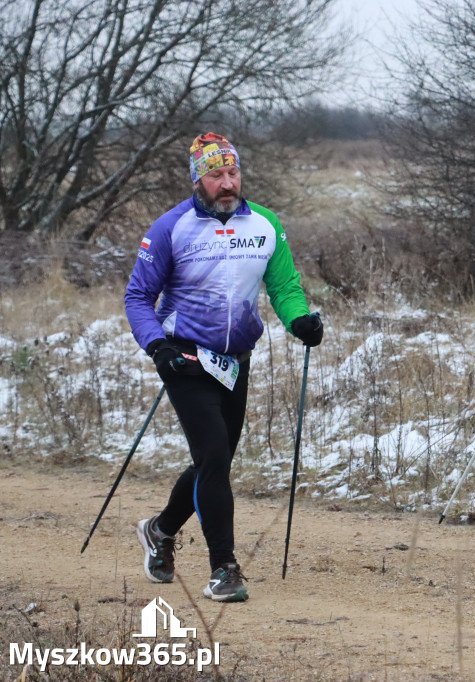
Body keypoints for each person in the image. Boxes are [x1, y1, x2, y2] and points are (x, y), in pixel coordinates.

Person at [124, 132, 323, 602]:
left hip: (235, 360)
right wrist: (157, 348)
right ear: (198, 179)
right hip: (185, 358)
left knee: (214, 460)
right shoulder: (171, 227)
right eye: (216, 174)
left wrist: (301, 321)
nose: (227, 182)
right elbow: (138, 297)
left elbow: (285, 288)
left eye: (233, 172)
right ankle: (224, 569)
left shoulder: (266, 225)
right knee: (214, 457)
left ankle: (159, 529)